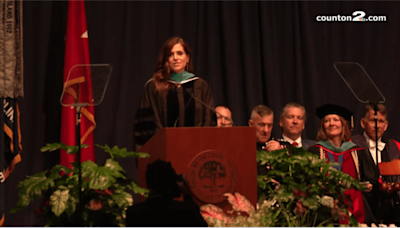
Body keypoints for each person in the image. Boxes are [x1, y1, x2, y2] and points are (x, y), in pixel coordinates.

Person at [134, 37, 215, 149]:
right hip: (164, 151)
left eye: (180, 53)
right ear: (166, 59)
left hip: (197, 150)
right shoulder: (154, 87)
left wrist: (201, 144)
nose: (175, 58)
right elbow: (148, 124)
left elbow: (208, 119)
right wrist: (165, 143)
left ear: (187, 58)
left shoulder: (200, 86)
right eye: (171, 54)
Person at [308, 104, 369, 224]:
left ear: (343, 124)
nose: (331, 124)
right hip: (325, 210)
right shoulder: (315, 151)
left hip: (355, 207)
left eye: (336, 120)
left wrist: (368, 185)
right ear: (323, 126)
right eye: (327, 121)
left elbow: (370, 178)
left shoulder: (356, 152)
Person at [352, 103, 400, 224]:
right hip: (365, 204)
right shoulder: (352, 145)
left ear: (386, 125)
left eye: (381, 121)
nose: (378, 126)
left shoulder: (395, 147)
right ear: (363, 123)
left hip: (392, 207)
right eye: (373, 121)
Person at [126, 159, 208, 227]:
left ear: (148, 184)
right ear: (172, 183)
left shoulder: (133, 213)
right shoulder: (186, 210)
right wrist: (187, 194)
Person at [248, 105, 290, 175]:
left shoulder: (283, 146)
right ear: (251, 124)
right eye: (262, 125)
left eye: (269, 126)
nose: (266, 130)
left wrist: (280, 154)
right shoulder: (243, 149)